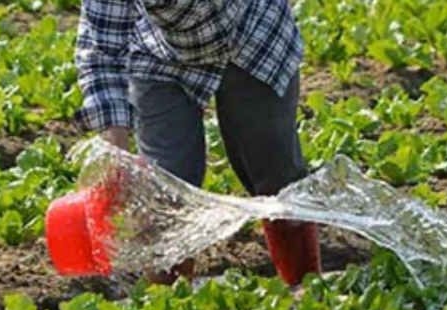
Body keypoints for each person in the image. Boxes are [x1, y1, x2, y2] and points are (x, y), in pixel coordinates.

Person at [74, 0, 321, 285]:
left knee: (276, 177)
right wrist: (115, 153)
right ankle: (164, 309)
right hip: (160, 52)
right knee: (164, 188)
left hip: (251, 35)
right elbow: (102, 49)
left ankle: (306, 290)